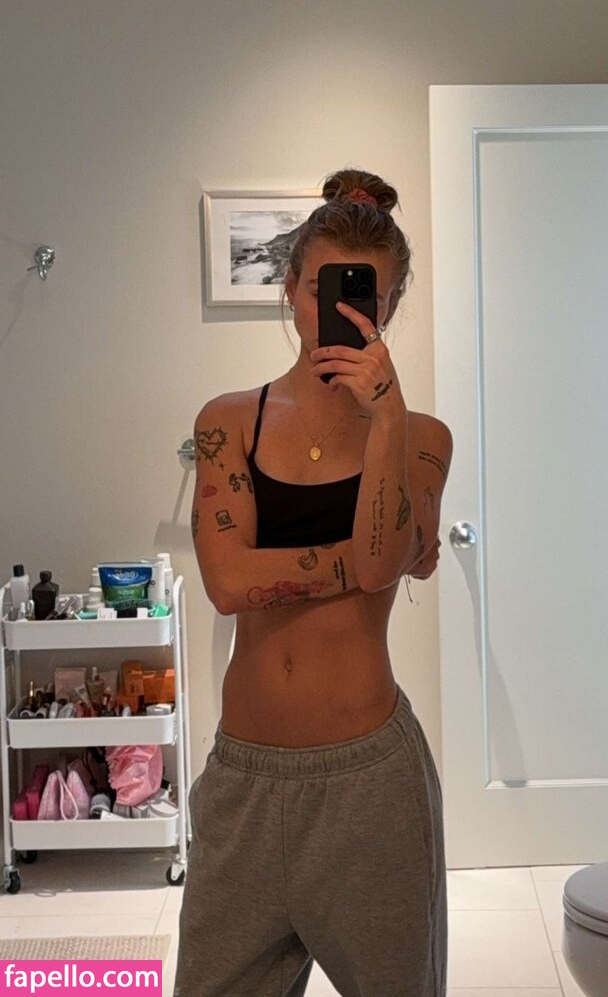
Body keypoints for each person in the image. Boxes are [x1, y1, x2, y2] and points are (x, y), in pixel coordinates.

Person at [175, 168, 453, 996]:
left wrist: (387, 416)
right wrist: (356, 563)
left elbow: (380, 563)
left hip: (371, 786)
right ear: (291, 288)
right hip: (244, 780)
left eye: (371, 297)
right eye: (322, 289)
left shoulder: (421, 436)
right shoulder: (228, 421)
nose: (343, 313)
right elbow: (229, 581)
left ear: (391, 307)